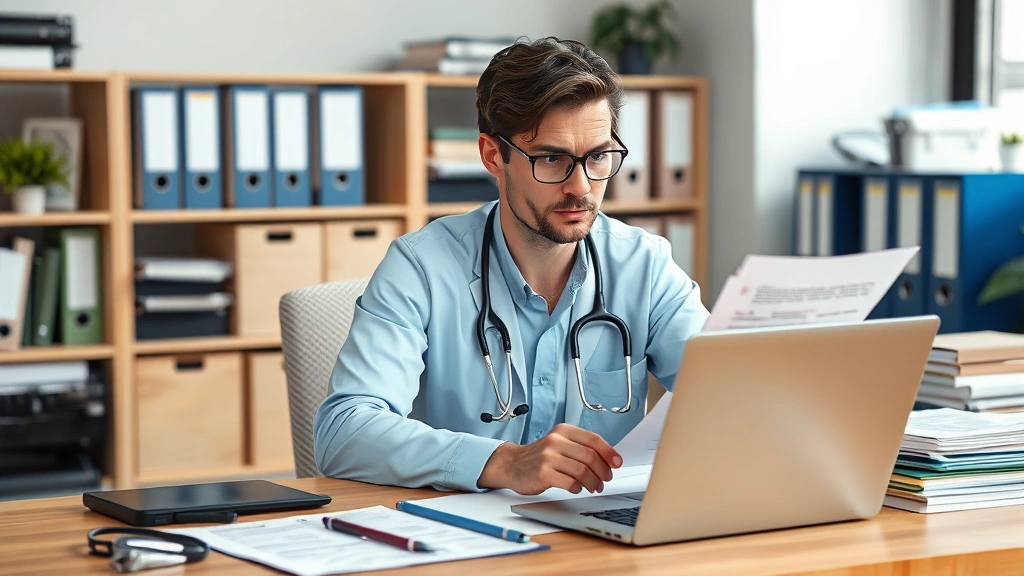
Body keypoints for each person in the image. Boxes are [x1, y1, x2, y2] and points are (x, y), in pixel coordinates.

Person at [313, 37, 709, 496]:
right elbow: (343, 432)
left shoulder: (645, 265)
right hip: (463, 544)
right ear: (492, 156)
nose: (581, 187)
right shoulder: (420, 267)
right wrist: (503, 463)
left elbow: (732, 392)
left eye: (598, 157)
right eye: (551, 158)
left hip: (600, 539)